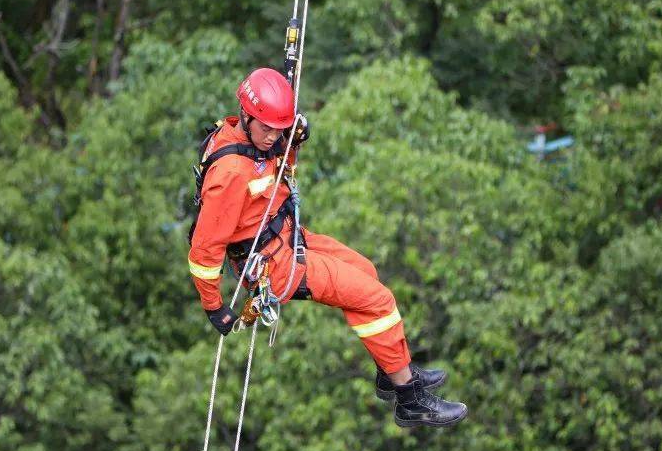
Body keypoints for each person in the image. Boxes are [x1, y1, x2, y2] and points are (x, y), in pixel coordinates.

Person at [187, 67, 468, 428]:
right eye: (267, 128)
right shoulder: (229, 174)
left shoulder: (252, 140)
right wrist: (214, 307)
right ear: (246, 115)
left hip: (287, 236)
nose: (274, 136)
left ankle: (391, 367)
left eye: (279, 129)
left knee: (366, 272)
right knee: (377, 300)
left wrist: (293, 144)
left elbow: (273, 176)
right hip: (274, 265)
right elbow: (204, 249)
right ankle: (409, 398)